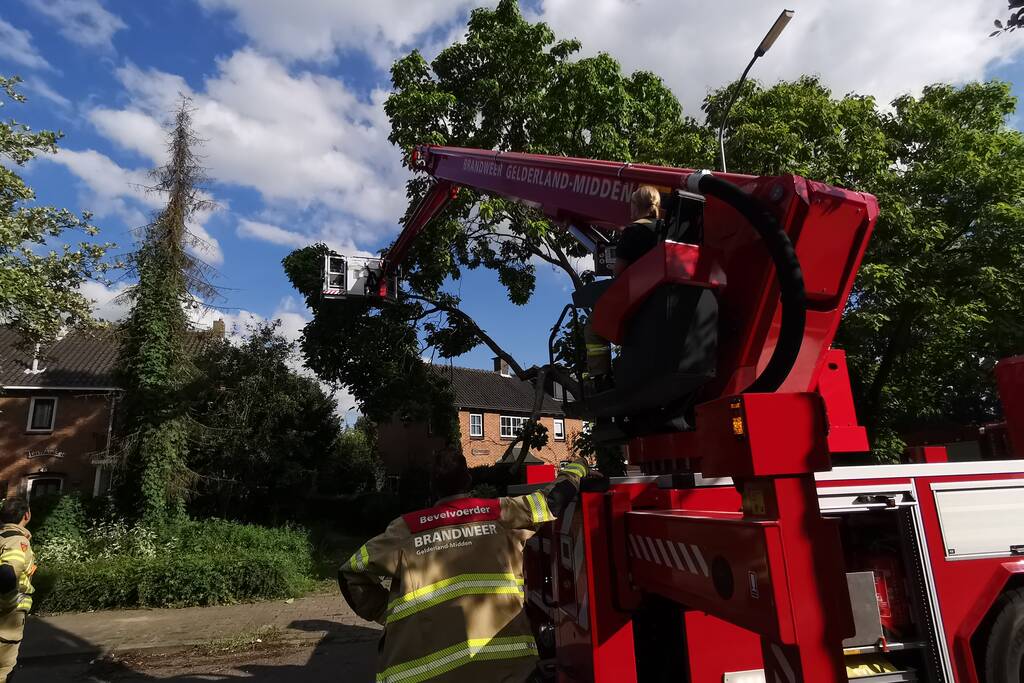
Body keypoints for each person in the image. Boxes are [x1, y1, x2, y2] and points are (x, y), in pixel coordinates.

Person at [339, 447, 590, 683]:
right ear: (468, 480)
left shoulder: (405, 529)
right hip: (504, 671)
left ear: (433, 487)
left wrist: (386, 613)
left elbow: (352, 571)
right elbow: (552, 500)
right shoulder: (500, 513)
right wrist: (579, 466)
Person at [584, 185, 663, 381]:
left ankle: (599, 376)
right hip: (662, 298)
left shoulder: (634, 231)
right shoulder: (668, 230)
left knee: (593, 326)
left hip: (638, 300)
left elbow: (619, 271)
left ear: (635, 206)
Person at [0, 497, 35, 683]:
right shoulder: (18, 541)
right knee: (4, 672)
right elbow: (8, 574)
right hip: (6, 621)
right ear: (26, 515)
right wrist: (9, 606)